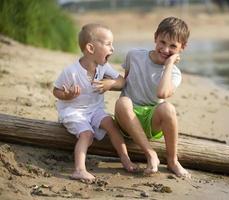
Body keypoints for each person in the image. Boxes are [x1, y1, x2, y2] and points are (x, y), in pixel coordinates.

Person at [53, 23, 137, 181]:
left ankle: (125, 158)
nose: (112, 49)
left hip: (94, 109)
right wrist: (67, 95)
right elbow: (56, 91)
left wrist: (110, 84)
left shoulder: (104, 67)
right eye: (108, 44)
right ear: (91, 48)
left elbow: (122, 82)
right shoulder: (71, 71)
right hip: (74, 111)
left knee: (111, 124)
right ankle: (79, 169)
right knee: (87, 134)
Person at [115, 17, 190, 177]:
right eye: (162, 42)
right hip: (127, 118)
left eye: (173, 46)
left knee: (168, 108)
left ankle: (172, 160)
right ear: (155, 37)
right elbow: (125, 82)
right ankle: (151, 154)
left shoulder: (174, 73)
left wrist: (169, 65)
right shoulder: (134, 56)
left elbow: (162, 94)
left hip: (151, 121)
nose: (165, 49)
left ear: (182, 47)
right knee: (123, 102)